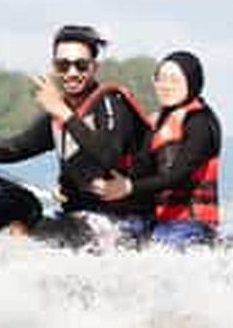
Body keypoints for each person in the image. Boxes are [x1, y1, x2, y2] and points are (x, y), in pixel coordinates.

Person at [0, 24, 148, 239]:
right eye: (63, 65)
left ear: (94, 67)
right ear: (54, 67)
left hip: (118, 223)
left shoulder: (110, 104)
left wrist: (62, 111)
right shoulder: (60, 113)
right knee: (6, 210)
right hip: (77, 218)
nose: (72, 73)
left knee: (22, 239)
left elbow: (108, 155)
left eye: (81, 65)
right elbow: (12, 149)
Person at [93, 50, 221, 246]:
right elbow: (138, 170)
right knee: (107, 239)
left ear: (192, 82)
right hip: (156, 221)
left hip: (193, 224)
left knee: (154, 248)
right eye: (161, 79)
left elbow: (177, 176)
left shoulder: (200, 123)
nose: (166, 86)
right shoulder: (158, 122)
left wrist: (128, 187)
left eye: (174, 80)